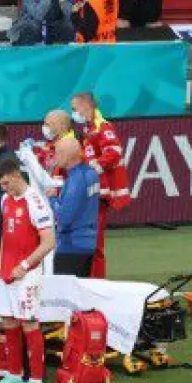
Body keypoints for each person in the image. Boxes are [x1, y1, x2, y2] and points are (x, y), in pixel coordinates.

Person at [0, 156, 55, 383]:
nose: (3, 189)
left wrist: (24, 265)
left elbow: (49, 242)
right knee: (8, 322)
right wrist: (1, 261)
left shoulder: (36, 202)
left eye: (5, 183)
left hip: (27, 274)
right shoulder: (6, 200)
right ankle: (14, 375)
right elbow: (7, 233)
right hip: (7, 272)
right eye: (0, 185)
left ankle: (36, 380)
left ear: (16, 175)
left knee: (29, 323)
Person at [70, 91, 129, 278]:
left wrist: (92, 169)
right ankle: (90, 280)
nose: (73, 112)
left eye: (74, 108)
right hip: (92, 193)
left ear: (85, 106)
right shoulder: (89, 129)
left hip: (99, 195)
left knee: (94, 244)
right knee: (89, 243)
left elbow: (114, 151)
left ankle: (97, 283)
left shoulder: (102, 127)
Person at [49, 136, 100, 276]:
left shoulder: (75, 180)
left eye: (57, 153)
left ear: (66, 155)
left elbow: (64, 217)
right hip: (87, 243)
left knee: (64, 294)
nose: (55, 157)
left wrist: (52, 199)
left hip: (71, 246)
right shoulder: (91, 173)